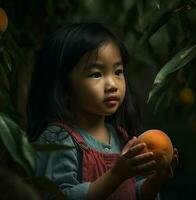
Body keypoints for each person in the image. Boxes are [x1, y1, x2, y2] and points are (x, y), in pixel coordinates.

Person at [27, 22, 179, 200]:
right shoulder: (58, 139)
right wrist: (115, 175)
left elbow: (133, 192)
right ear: (64, 88)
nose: (112, 85)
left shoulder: (121, 136)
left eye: (118, 71)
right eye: (96, 74)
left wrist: (154, 182)